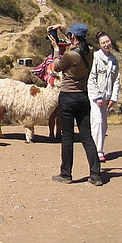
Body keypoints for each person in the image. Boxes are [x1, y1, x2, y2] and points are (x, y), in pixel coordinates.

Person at [49, 23, 102, 186]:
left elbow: (55, 67)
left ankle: (66, 174)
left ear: (73, 37)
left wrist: (56, 49)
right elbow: (76, 40)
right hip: (83, 97)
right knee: (86, 135)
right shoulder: (90, 51)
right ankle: (95, 175)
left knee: (68, 137)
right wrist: (63, 30)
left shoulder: (71, 55)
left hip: (68, 97)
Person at [87, 32, 121, 162]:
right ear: (99, 45)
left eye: (107, 41)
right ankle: (97, 151)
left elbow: (116, 80)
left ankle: (99, 148)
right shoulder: (95, 57)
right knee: (97, 121)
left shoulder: (114, 60)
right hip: (95, 96)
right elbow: (92, 78)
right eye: (103, 43)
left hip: (107, 95)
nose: (106, 44)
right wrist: (96, 96)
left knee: (104, 124)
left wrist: (113, 97)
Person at [32, 25, 70, 140]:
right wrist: (48, 78)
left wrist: (60, 28)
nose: (63, 49)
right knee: (53, 114)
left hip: (62, 88)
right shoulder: (52, 59)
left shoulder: (66, 58)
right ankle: (52, 133)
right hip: (53, 88)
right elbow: (42, 70)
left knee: (59, 114)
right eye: (61, 47)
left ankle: (57, 133)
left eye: (63, 47)